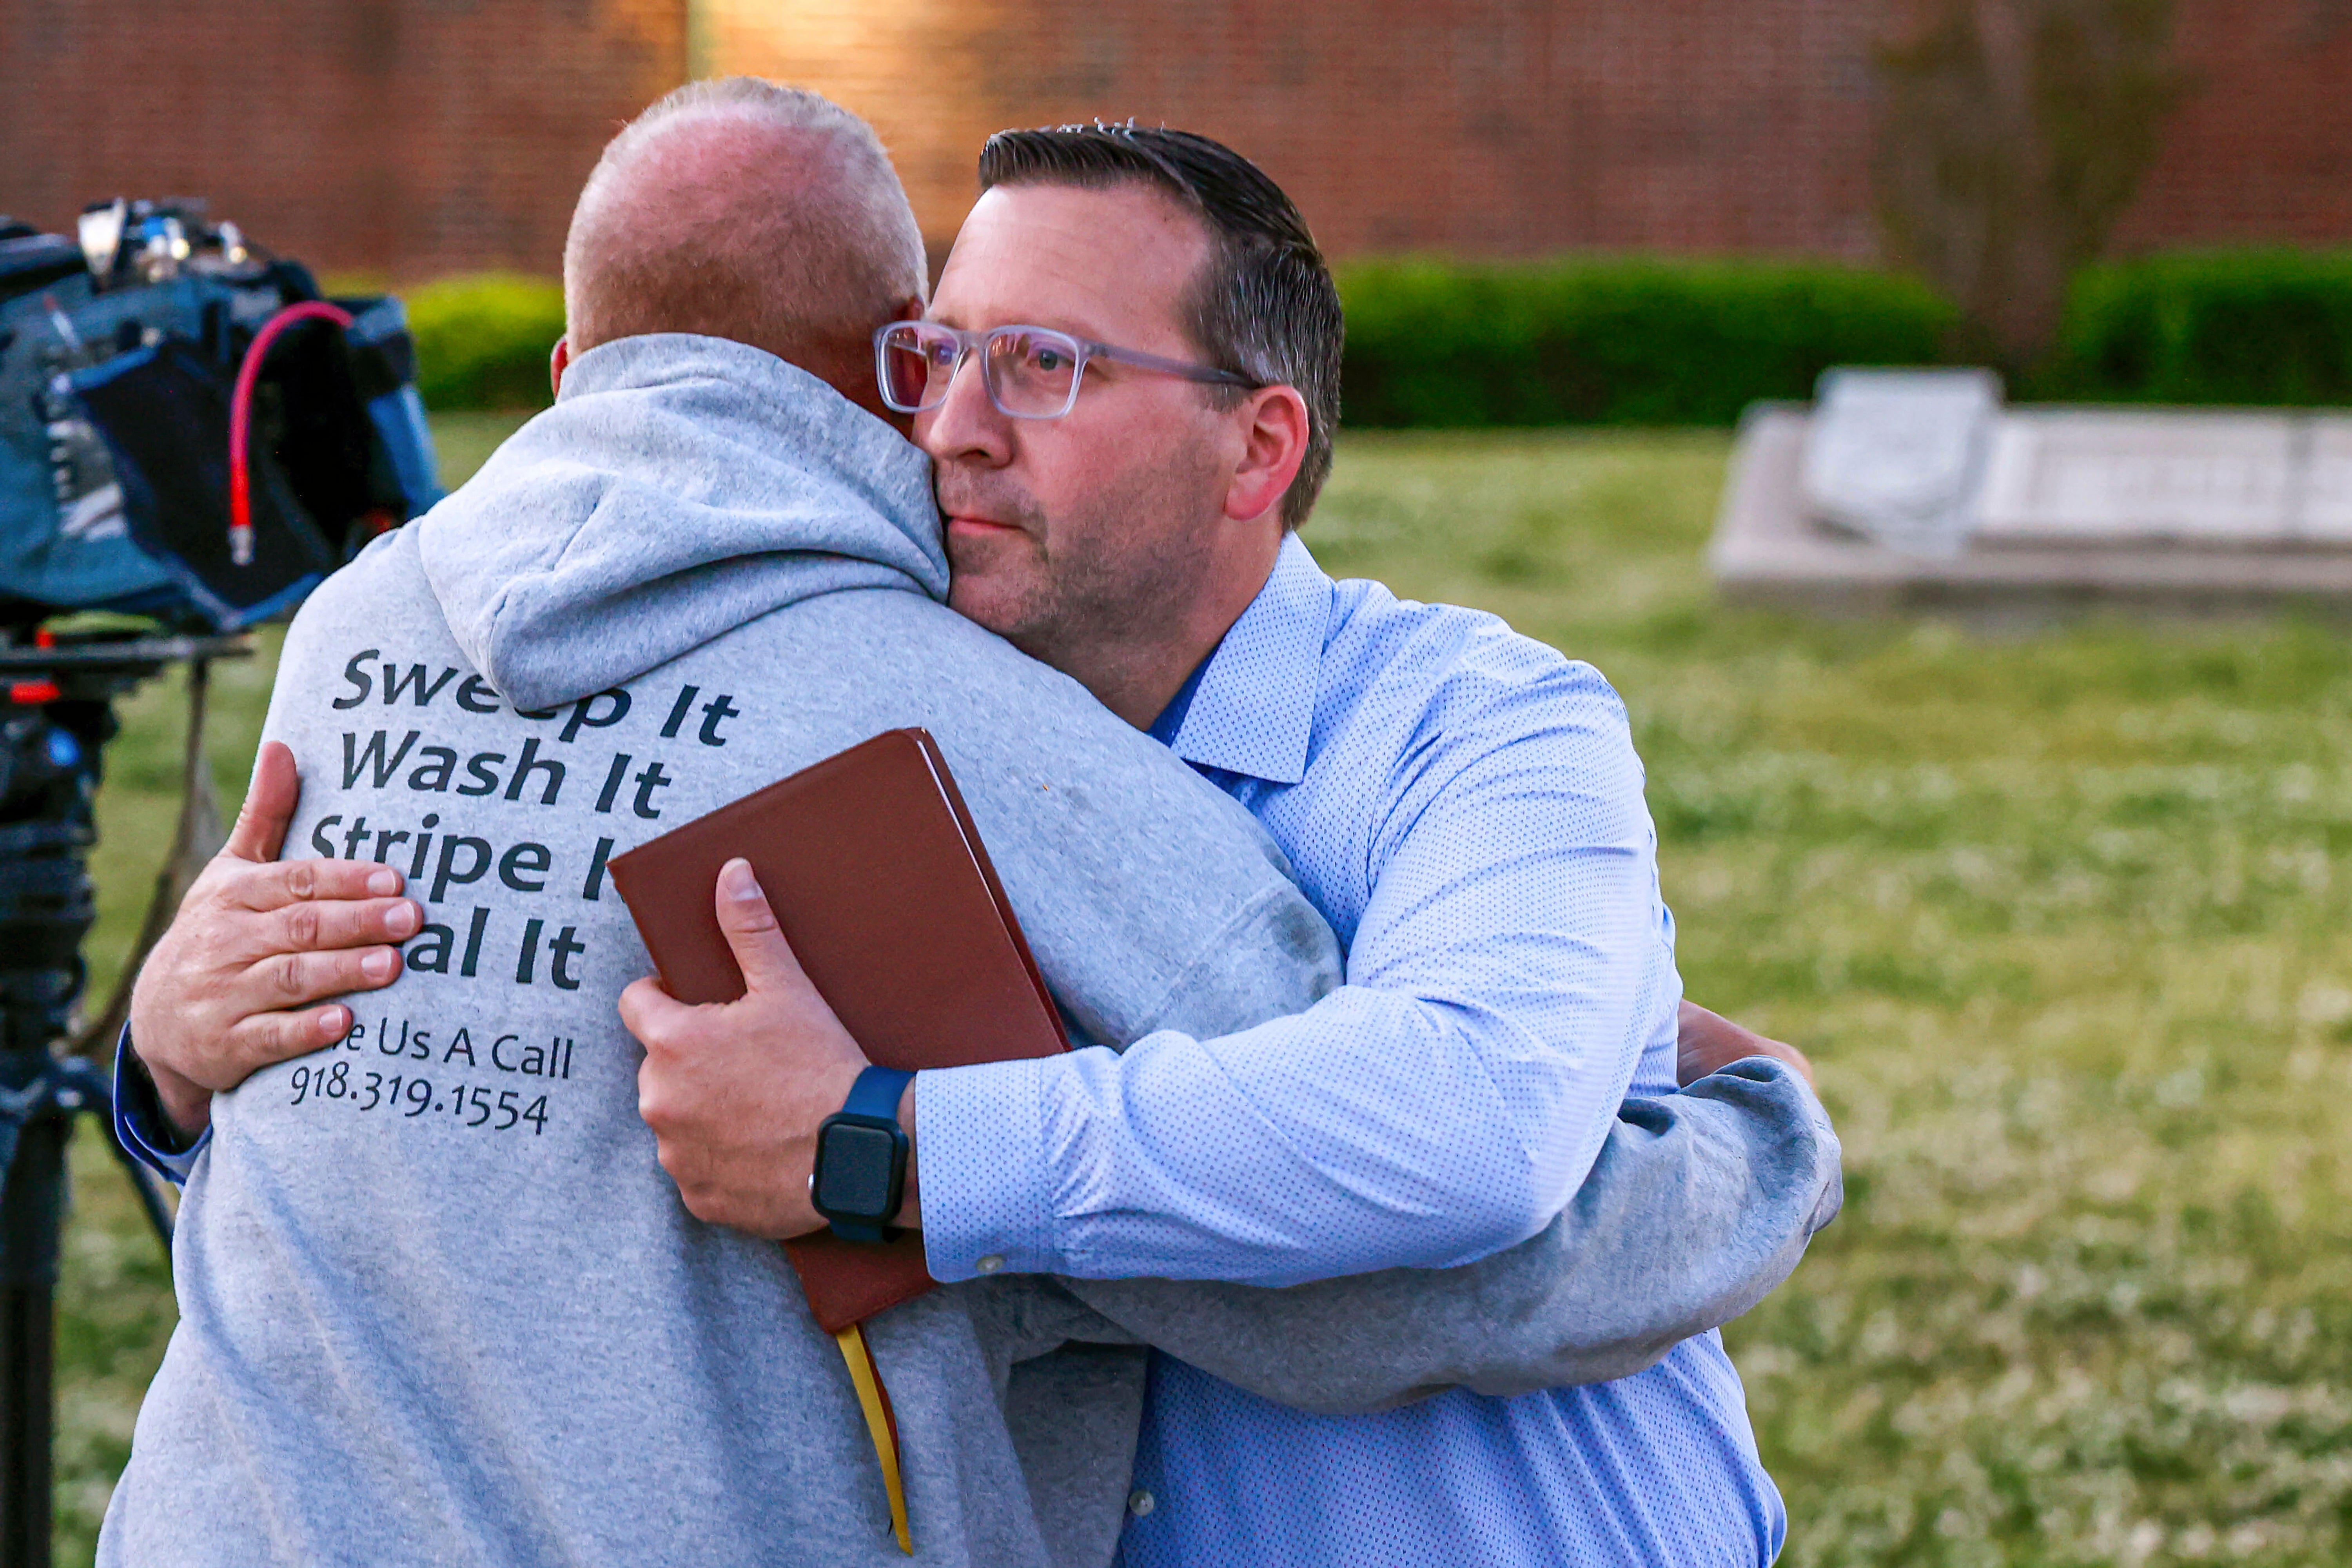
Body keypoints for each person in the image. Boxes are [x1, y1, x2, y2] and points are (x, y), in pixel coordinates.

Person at [113, 85, 1837, 1567]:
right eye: (935, 357)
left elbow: (1457, 1158)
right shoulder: (872, 723)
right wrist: (175, 1073)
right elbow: (454, 1158)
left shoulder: (1481, 727)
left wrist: (887, 1148)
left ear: (1259, 450)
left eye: (1043, 365)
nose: (949, 425)